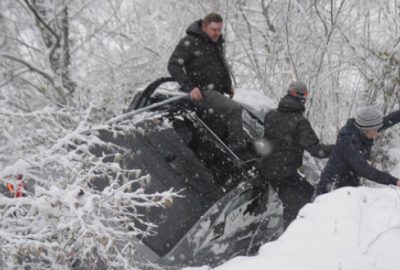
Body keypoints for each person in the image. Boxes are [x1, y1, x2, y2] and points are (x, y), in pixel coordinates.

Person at [167, 13, 247, 154]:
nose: (217, 33)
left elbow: (217, 66)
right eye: (214, 29)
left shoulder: (215, 42)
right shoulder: (190, 42)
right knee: (234, 109)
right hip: (202, 92)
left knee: (217, 130)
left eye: (219, 29)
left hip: (216, 92)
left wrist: (226, 85)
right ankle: (239, 151)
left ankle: (219, 160)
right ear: (204, 27)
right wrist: (190, 87)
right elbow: (173, 65)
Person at [258, 81, 333, 229]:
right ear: (302, 98)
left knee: (308, 195)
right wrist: (338, 149)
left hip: (268, 169)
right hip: (284, 174)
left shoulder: (271, 115)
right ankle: (289, 242)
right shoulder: (299, 122)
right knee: (299, 206)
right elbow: (317, 151)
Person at [316, 106, 400, 195]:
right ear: (365, 130)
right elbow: (365, 170)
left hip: (350, 182)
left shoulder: (365, 127)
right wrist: (395, 181)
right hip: (331, 189)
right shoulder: (348, 143)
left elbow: (388, 120)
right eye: (375, 130)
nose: (377, 132)